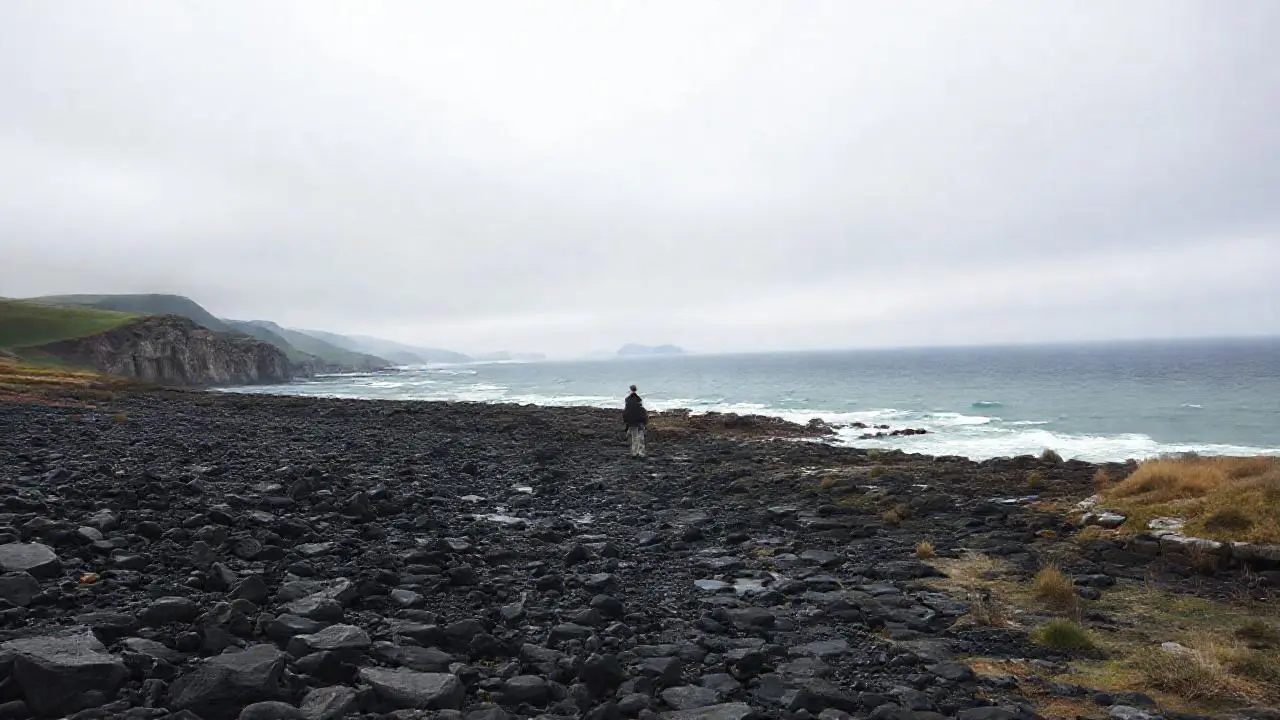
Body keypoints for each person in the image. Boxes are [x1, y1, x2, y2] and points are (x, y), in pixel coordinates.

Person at [622, 384, 648, 457]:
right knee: (641, 438)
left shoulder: (627, 400)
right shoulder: (639, 400)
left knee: (634, 438)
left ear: (630, 390)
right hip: (640, 422)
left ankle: (634, 453)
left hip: (632, 422)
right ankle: (641, 453)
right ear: (636, 390)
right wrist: (645, 422)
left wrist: (626, 422)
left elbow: (626, 413)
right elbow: (643, 412)